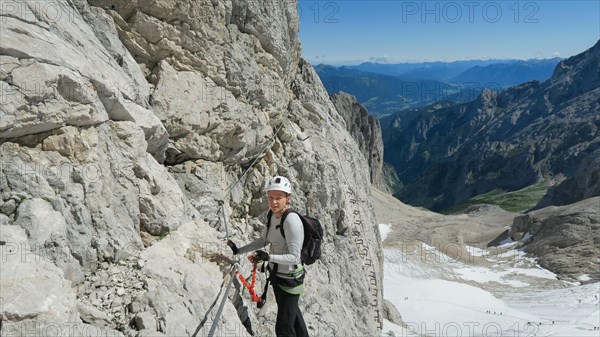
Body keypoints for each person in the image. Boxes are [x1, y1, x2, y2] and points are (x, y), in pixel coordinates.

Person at [227, 176, 309, 337]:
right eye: (271, 197)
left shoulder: (291, 221)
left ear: (288, 199)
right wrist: (239, 250)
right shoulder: (272, 216)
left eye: (279, 198)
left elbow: (294, 256)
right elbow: (264, 240)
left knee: (284, 328)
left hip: (290, 280)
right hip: (278, 277)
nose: (274, 202)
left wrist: (268, 257)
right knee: (293, 317)